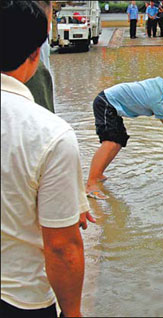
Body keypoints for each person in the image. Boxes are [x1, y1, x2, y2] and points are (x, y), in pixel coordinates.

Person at [1, 1, 94, 317]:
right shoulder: (50, 133)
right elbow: (62, 247)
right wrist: (73, 312)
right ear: (36, 54)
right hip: (18, 298)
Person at [85, 77, 163, 199]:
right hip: (106, 102)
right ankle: (91, 184)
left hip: (113, 106)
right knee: (110, 143)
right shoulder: (157, 100)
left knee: (119, 142)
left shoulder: (160, 86)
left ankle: (98, 174)